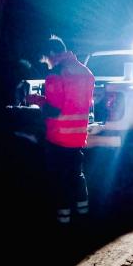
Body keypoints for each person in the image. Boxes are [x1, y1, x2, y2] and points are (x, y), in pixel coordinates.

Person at [37, 35, 95, 224]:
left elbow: (53, 110)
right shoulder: (86, 72)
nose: (46, 63)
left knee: (59, 179)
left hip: (58, 137)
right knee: (77, 175)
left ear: (52, 53)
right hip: (78, 137)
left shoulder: (56, 74)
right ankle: (83, 214)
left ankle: (63, 220)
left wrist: (37, 101)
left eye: (46, 59)